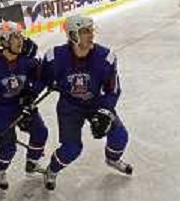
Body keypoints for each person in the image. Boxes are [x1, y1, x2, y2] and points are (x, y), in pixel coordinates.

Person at [40, 13, 132, 190]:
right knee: (71, 149)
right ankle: (51, 170)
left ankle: (112, 159)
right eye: (85, 32)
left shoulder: (105, 57)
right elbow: (42, 79)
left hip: (96, 103)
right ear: (73, 35)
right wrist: (29, 97)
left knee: (120, 135)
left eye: (91, 30)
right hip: (69, 106)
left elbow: (113, 89)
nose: (91, 35)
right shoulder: (55, 57)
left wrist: (105, 111)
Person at [0, 22, 48, 190]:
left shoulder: (27, 59)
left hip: (22, 105)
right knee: (7, 146)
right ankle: (0, 170)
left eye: (21, 36)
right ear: (4, 41)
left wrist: (31, 94)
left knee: (41, 132)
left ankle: (32, 163)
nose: (20, 41)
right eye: (15, 37)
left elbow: (42, 77)